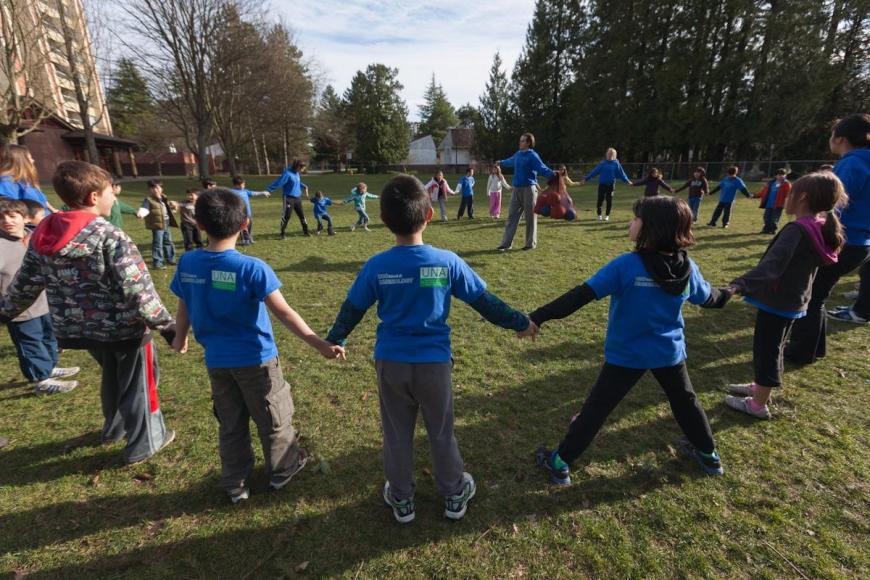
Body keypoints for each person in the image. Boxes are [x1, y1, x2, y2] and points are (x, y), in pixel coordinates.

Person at [325, 174, 535, 523]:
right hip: (434, 365)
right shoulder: (447, 261)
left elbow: (352, 309)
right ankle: (454, 493)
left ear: (383, 221)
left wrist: (337, 338)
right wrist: (520, 322)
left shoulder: (377, 266)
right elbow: (484, 302)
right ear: (429, 216)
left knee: (396, 434)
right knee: (441, 430)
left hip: (390, 364)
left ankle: (402, 498)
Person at [529, 196, 730, 485]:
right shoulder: (688, 269)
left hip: (627, 356)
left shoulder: (626, 265)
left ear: (653, 228)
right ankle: (710, 457)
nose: (631, 223)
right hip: (668, 353)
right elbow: (710, 298)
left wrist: (538, 317)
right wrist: (731, 292)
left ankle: (558, 463)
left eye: (636, 219)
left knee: (597, 409)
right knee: (686, 403)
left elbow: (581, 295)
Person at [169, 188, 344, 503]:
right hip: (257, 361)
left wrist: (180, 339)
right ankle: (283, 469)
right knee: (273, 416)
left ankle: (236, 483)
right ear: (245, 224)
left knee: (231, 422)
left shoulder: (188, 263)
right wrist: (319, 343)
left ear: (199, 224)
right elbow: (284, 312)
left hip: (217, 363)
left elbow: (183, 307)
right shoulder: (252, 268)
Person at [0, 161, 178, 464]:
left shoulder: (43, 233)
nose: (114, 197)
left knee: (112, 375)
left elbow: (25, 283)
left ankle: (115, 428)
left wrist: (6, 311)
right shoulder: (109, 236)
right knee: (139, 381)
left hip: (77, 329)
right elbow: (137, 288)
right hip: (124, 328)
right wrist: (166, 325)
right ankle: (146, 440)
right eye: (111, 191)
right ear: (94, 196)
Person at [724, 172, 846, 419]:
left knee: (767, 350)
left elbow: (772, 265)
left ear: (801, 198)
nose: (786, 198)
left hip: (779, 302)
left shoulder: (797, 230)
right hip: (794, 300)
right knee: (774, 347)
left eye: (789, 194)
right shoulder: (819, 225)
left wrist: (739, 284)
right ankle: (761, 387)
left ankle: (758, 404)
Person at [787, 114, 870, 355]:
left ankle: (802, 350)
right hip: (861, 243)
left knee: (810, 296)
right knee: (818, 295)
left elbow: (832, 203)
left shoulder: (852, 163)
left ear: (841, 138)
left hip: (843, 240)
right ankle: (815, 348)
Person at [0, 199, 80, 394]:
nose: (6, 221)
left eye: (12, 216)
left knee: (49, 336)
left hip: (44, 302)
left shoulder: (34, 237)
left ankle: (49, 367)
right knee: (30, 343)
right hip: (19, 309)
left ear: (25, 217)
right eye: (1, 218)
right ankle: (41, 379)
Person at [496, 133, 556, 251]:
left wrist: (553, 174)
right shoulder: (518, 154)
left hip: (529, 189)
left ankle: (530, 244)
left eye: (522, 141)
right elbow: (510, 161)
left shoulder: (533, 156)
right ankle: (506, 244)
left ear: (529, 143)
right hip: (516, 189)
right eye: (520, 140)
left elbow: (542, 168)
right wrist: (501, 162)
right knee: (512, 217)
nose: (520, 143)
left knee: (530, 218)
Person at [0, 144, 56, 212]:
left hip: (45, 219)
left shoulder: (25, 181)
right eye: (30, 158)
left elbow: (43, 202)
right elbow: (9, 208)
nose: (33, 160)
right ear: (20, 161)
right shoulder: (7, 182)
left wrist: (56, 212)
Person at [583, 148, 632, 222]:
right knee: (600, 200)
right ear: (607, 154)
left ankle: (607, 216)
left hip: (611, 185)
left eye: (612, 154)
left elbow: (622, 174)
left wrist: (627, 181)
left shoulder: (616, 163)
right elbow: (594, 171)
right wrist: (586, 178)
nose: (610, 155)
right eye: (609, 154)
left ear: (614, 155)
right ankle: (599, 215)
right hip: (602, 185)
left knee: (609, 200)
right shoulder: (602, 163)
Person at [140, 179, 179, 269]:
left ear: (161, 188)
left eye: (157, 188)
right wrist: (141, 213)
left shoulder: (164, 197)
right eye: (152, 188)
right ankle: (157, 263)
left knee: (168, 241)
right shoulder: (148, 199)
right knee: (157, 244)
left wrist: (173, 208)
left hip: (166, 223)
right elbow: (144, 208)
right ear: (149, 190)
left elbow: (167, 208)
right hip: (157, 226)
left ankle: (170, 259)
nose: (155, 190)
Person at [266, 160, 310, 238]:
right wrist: (269, 190)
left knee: (301, 215)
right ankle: (282, 233)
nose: (302, 170)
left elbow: (296, 182)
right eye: (302, 168)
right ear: (298, 167)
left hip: (298, 198)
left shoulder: (297, 173)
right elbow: (279, 182)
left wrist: (303, 186)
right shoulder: (287, 174)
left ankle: (306, 232)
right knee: (287, 216)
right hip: (289, 198)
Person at [230, 176, 270, 245]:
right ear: (236, 185)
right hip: (240, 214)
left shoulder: (245, 191)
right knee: (243, 227)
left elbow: (254, 193)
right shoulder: (232, 192)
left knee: (249, 226)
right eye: (242, 185)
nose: (243, 186)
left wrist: (263, 192)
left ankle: (249, 238)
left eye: (244, 184)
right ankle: (245, 240)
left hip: (248, 213)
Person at [754, 168, 792, 234]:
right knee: (766, 217)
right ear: (776, 175)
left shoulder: (786, 184)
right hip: (769, 204)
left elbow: (788, 195)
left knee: (774, 219)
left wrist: (787, 204)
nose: (781, 176)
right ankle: (766, 229)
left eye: (783, 175)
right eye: (779, 175)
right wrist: (755, 196)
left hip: (778, 205)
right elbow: (764, 192)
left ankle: (772, 230)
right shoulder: (771, 183)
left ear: (785, 175)